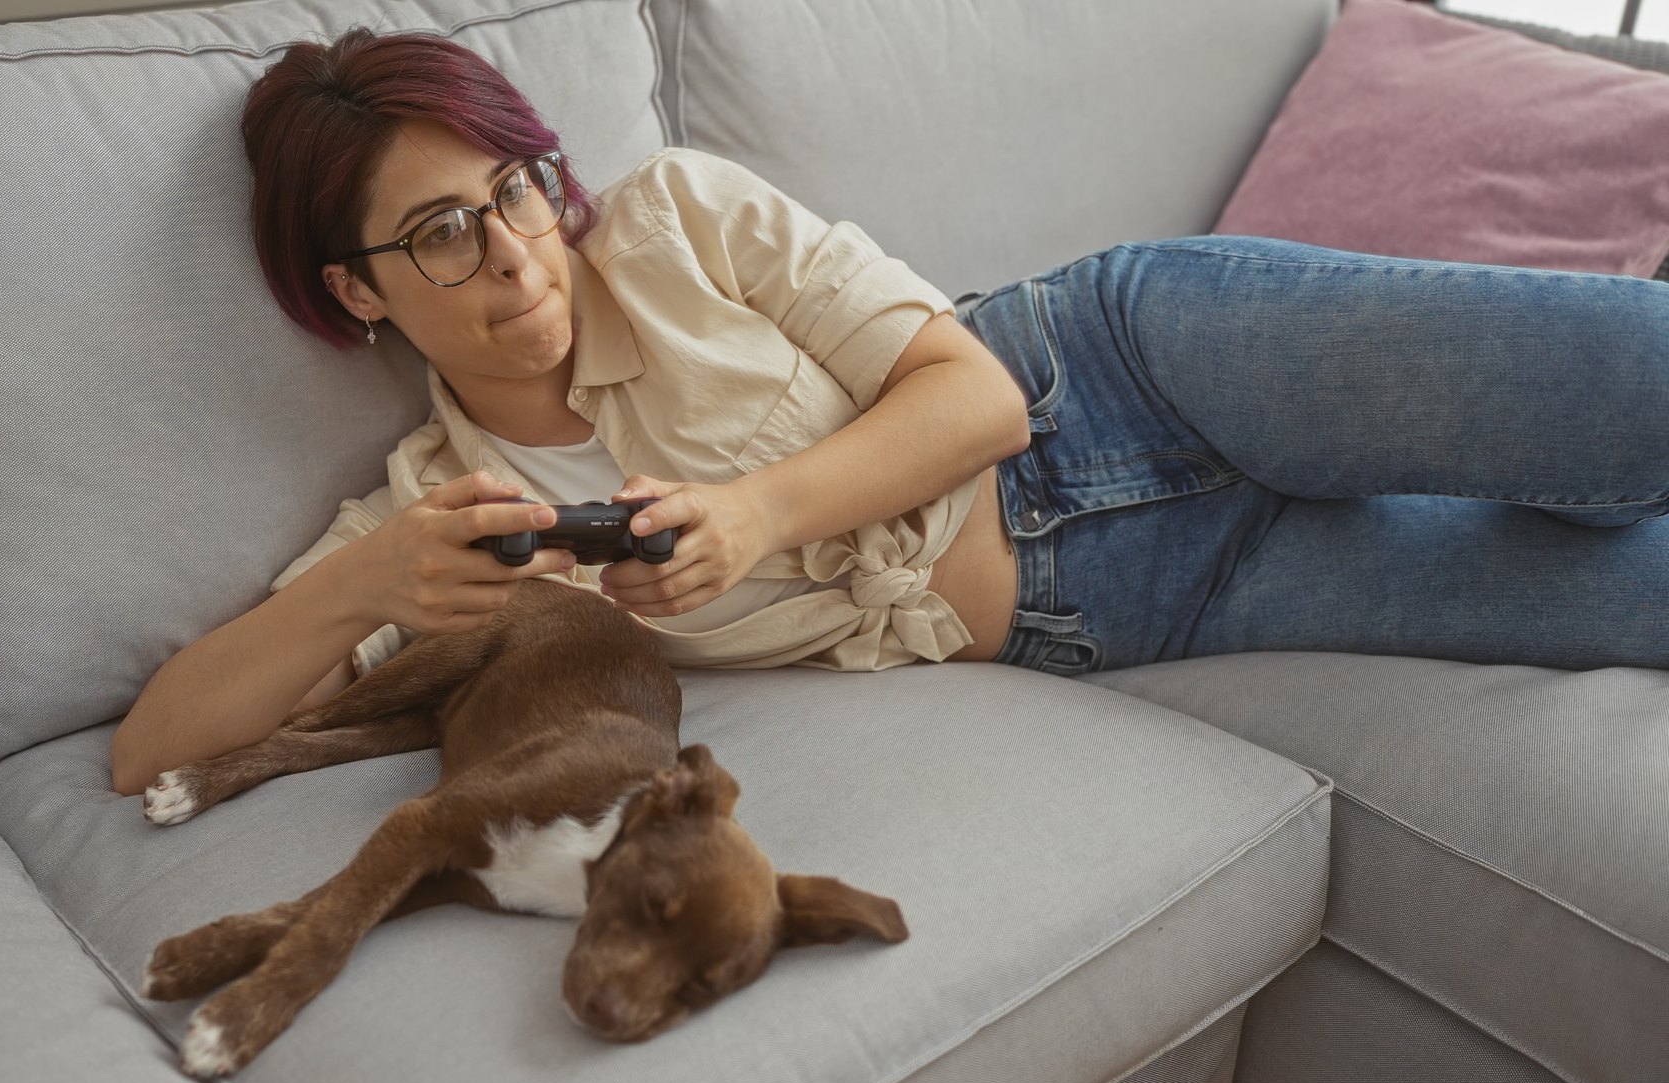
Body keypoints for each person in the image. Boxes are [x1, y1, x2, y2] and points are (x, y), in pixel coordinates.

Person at [107, 28, 1668, 796]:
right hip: (1123, 600)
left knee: (1627, 394)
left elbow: (974, 393)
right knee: (1624, 594)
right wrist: (368, 587)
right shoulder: (442, 509)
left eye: (513, 188)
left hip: (1121, 361)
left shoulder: (671, 220)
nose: (516, 250)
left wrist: (754, 515)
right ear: (359, 290)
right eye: (443, 232)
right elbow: (151, 750)